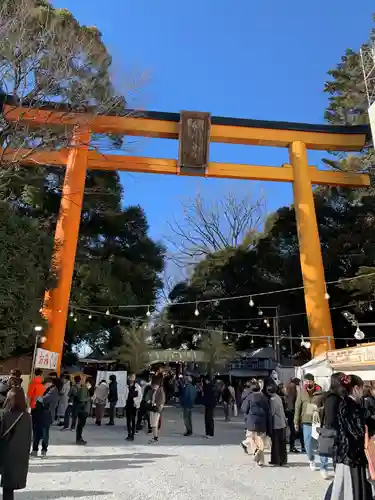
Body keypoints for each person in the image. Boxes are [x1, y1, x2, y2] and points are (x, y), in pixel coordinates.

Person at [327, 374, 373, 500]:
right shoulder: (348, 405)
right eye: (362, 388)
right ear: (356, 388)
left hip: (349, 452)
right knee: (349, 486)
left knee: (347, 485)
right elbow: (356, 429)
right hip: (350, 452)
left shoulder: (349, 403)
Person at [0, 387, 32, 500]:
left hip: (4, 452)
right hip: (18, 456)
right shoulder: (27, 416)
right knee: (9, 487)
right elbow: (28, 438)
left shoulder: (4, 415)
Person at [294, 373, 325, 473]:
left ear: (313, 381)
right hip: (306, 421)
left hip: (318, 421)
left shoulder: (320, 391)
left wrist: (319, 409)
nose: (307, 383)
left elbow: (325, 405)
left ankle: (323, 466)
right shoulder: (301, 392)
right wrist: (296, 422)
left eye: (309, 381)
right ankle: (311, 459)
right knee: (308, 443)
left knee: (321, 444)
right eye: (305, 381)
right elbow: (297, 407)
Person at [241, 381, 271, 466]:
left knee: (250, 438)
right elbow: (268, 411)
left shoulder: (250, 397)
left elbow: (244, 408)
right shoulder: (264, 398)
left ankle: (255, 451)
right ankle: (261, 460)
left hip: (251, 421)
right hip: (262, 421)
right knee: (260, 439)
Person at [31, 376, 61, 457]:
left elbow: (44, 399)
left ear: (49, 383)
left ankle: (43, 450)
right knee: (37, 433)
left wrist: (36, 397)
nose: (43, 386)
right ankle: (35, 450)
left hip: (47, 415)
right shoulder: (49, 389)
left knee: (44, 434)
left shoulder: (53, 390)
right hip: (41, 414)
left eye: (44, 384)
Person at [268, 382, 288, 467]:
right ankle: (283, 459)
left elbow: (272, 412)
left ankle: (277, 460)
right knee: (282, 443)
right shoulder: (278, 397)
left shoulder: (272, 400)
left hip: (276, 423)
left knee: (276, 443)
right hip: (282, 423)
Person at [27, 369, 45, 441]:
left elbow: (29, 395)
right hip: (41, 403)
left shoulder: (33, 383)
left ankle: (34, 436)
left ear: (34, 374)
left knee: (34, 421)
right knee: (40, 420)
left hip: (34, 404)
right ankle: (40, 434)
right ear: (41, 374)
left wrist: (28, 405)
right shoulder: (43, 383)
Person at [124, 373, 142, 441]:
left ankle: (133, 434)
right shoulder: (126, 386)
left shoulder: (137, 387)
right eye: (130, 378)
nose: (131, 379)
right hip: (128, 404)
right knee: (128, 420)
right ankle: (129, 434)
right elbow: (124, 395)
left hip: (134, 405)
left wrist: (136, 403)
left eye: (132, 378)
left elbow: (140, 396)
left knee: (133, 419)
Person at [285, 377, 300, 453]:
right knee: (292, 430)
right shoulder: (293, 387)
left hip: (287, 410)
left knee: (289, 429)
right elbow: (294, 399)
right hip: (292, 410)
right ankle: (292, 446)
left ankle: (290, 445)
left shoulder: (288, 386)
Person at [148, 377, 165, 444]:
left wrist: (159, 408)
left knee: (154, 424)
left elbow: (162, 401)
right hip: (152, 408)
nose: (154, 386)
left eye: (155, 385)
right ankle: (155, 436)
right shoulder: (153, 390)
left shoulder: (161, 390)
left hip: (156, 409)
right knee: (152, 424)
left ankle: (155, 437)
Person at [75, 378, 91, 445]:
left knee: (80, 425)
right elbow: (81, 399)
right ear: (87, 382)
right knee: (80, 425)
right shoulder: (83, 389)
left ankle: (79, 438)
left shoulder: (84, 389)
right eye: (90, 383)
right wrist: (90, 398)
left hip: (83, 410)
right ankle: (79, 439)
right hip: (83, 410)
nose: (90, 385)